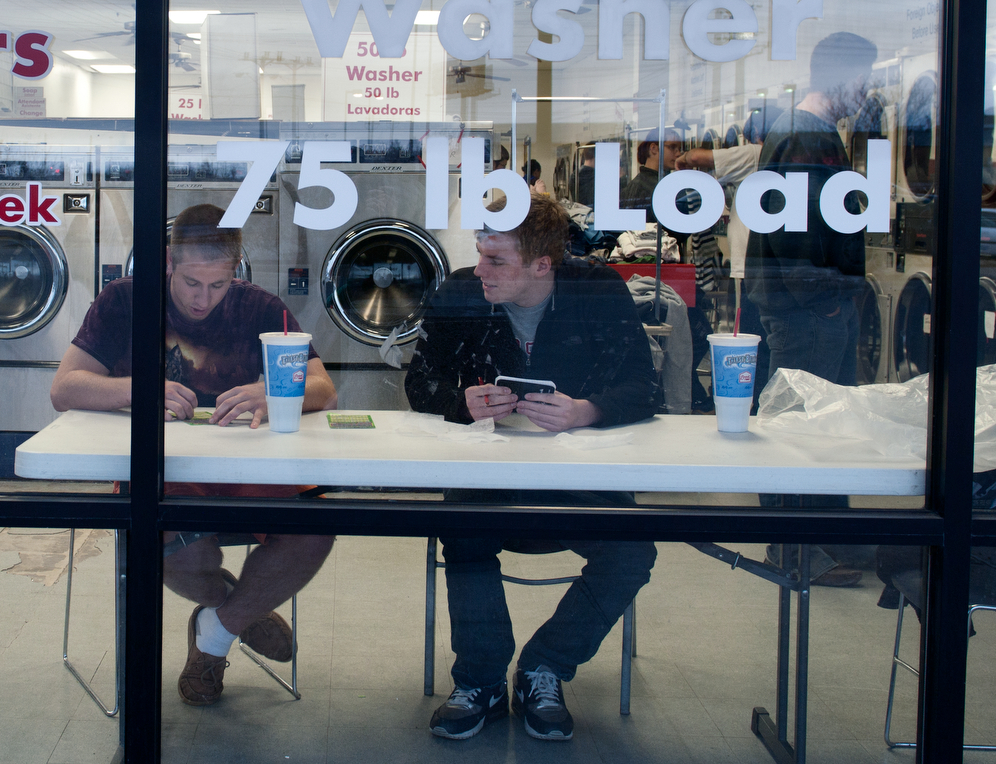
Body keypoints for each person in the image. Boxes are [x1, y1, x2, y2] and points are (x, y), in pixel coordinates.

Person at [50, 203, 338, 705]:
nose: (203, 299)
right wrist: (136, 390)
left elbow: (324, 389)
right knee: (180, 549)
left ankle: (215, 632)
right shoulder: (124, 300)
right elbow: (64, 388)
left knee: (314, 531)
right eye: (190, 283)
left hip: (250, 462)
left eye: (219, 285)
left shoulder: (263, 309)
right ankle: (237, 610)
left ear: (236, 268)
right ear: (166, 262)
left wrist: (273, 396)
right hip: (162, 465)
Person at [404, 194, 662, 742]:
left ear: (544, 264)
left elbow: (645, 386)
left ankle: (544, 666)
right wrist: (462, 404)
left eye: (497, 261)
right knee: (465, 531)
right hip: (487, 473)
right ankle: (480, 679)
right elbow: (419, 385)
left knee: (632, 549)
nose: (480, 271)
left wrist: (586, 411)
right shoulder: (458, 293)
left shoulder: (595, 290)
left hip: (580, 476)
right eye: (480, 254)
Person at [745, 32, 878, 588]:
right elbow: (793, 230)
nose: (867, 93)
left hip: (809, 303)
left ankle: (823, 541)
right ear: (843, 78)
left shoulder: (813, 134)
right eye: (864, 80)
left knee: (820, 420)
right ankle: (800, 548)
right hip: (807, 307)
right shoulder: (804, 138)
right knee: (806, 423)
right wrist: (824, 302)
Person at [619, 128, 683, 215]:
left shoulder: (657, 182)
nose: (678, 153)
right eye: (672, 147)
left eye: (679, 149)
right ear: (653, 148)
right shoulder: (644, 187)